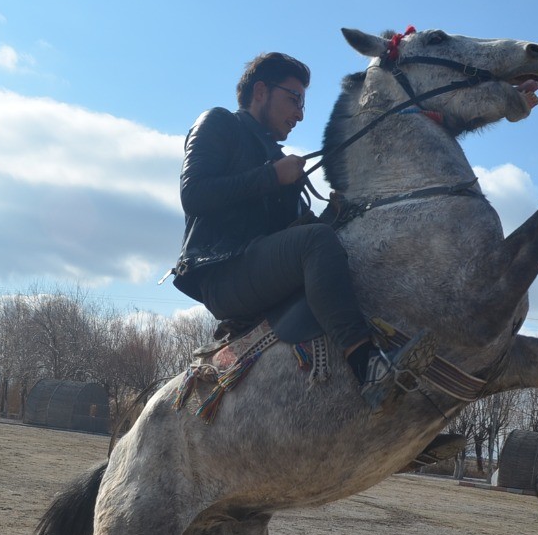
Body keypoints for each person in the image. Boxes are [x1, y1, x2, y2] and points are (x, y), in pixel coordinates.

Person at [171, 51, 428, 413]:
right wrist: (273, 177)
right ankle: (365, 365)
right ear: (261, 91)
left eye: (303, 103)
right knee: (317, 243)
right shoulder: (218, 123)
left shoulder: (277, 158)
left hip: (258, 269)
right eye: (294, 99)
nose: (300, 114)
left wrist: (341, 211)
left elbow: (295, 238)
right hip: (222, 274)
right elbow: (193, 194)